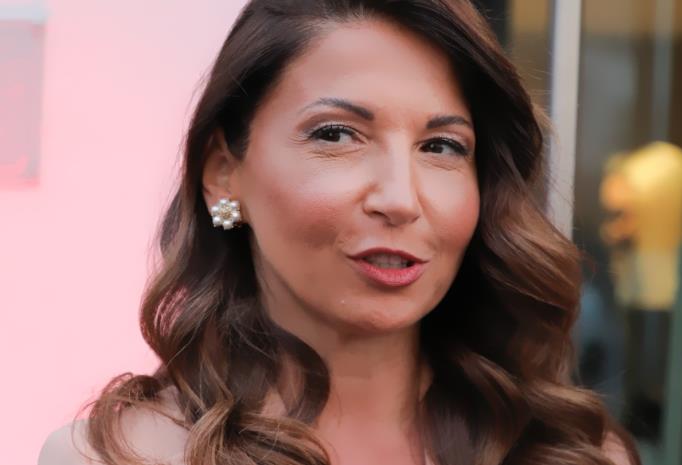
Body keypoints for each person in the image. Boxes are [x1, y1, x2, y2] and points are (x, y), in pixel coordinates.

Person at [38, 1, 642, 464]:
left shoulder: (571, 453)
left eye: (441, 146)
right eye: (336, 134)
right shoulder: (118, 456)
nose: (400, 199)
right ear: (223, 173)